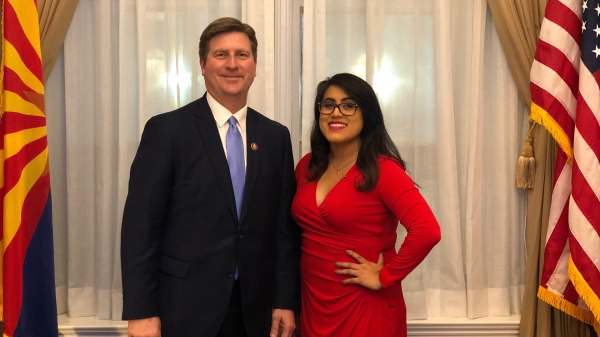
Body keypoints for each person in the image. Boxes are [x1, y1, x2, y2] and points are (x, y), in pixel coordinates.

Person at [120, 17, 301, 337]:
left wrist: (285, 300)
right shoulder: (167, 131)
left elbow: (283, 231)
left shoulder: (275, 137)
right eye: (221, 55)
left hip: (255, 311)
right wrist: (142, 311)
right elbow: (140, 229)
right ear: (203, 65)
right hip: (184, 308)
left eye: (242, 55)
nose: (232, 64)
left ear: (255, 66)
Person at [291, 73, 441, 337]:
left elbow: (427, 230)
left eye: (348, 105)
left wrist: (385, 276)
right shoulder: (307, 166)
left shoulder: (383, 170)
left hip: (364, 306)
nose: (336, 113)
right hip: (313, 303)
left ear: (367, 115)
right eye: (328, 105)